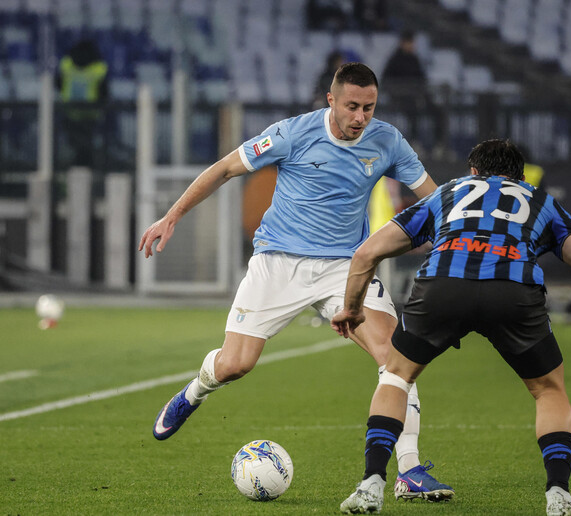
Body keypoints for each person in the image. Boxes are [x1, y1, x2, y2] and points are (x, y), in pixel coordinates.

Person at [138, 62, 453, 501]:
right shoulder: (292, 133)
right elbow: (225, 169)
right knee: (235, 365)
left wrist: (464, 236)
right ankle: (195, 391)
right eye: (352, 106)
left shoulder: (388, 141)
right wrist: (171, 216)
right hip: (277, 264)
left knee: (396, 358)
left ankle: (410, 470)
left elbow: (436, 199)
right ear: (331, 100)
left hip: (345, 268)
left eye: (369, 107)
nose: (360, 117)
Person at [331, 139, 571, 515]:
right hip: (513, 292)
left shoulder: (447, 193)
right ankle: (559, 495)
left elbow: (366, 253)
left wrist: (352, 308)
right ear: (521, 176)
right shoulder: (540, 201)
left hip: (443, 287)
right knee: (549, 390)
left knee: (397, 376)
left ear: (473, 172)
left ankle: (371, 484)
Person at [382, 30, 446, 158]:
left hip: (417, 96)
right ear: (403, 43)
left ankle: (439, 145)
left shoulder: (414, 59)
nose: (412, 45)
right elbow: (386, 81)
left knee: (438, 111)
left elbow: (421, 79)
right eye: (409, 42)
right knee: (413, 111)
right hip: (401, 98)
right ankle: (414, 142)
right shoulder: (394, 60)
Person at [56, 38, 109, 168]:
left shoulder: (66, 64)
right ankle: (86, 168)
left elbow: (58, 84)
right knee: (86, 146)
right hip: (90, 115)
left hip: (70, 113)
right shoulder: (99, 68)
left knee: (74, 146)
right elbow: (104, 92)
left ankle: (76, 168)